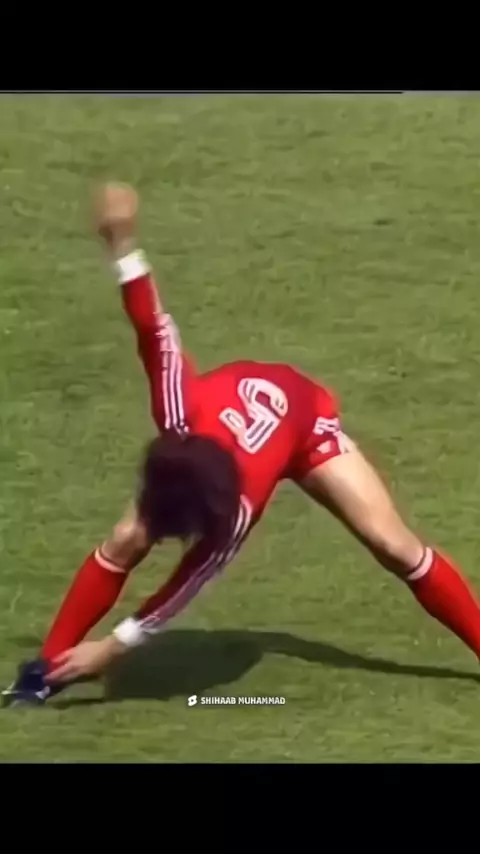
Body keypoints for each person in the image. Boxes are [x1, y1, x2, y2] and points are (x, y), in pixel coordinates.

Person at [4, 182, 480, 707]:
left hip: (304, 420)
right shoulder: (177, 412)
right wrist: (122, 244)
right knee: (125, 536)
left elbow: (182, 588)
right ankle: (47, 668)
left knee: (394, 546)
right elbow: (154, 330)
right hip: (252, 409)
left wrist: (111, 649)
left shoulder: (235, 514)